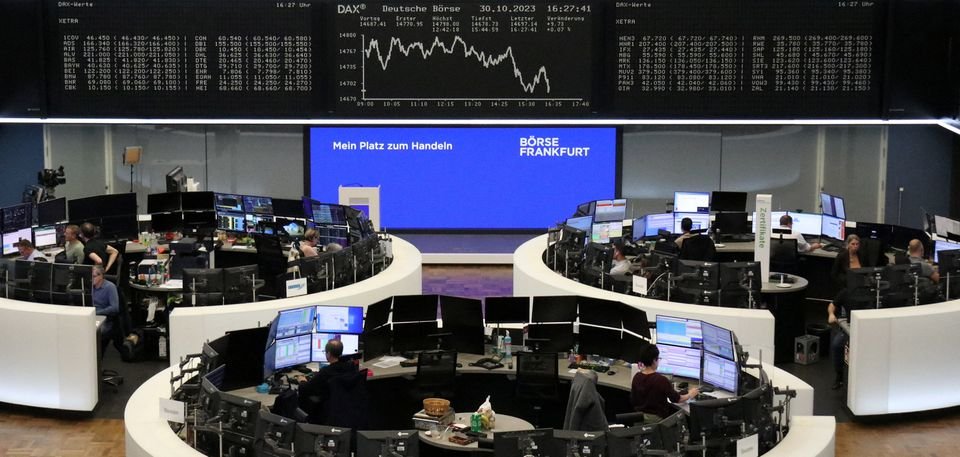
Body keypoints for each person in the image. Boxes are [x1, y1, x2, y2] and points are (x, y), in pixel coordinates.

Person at [630, 344, 698, 423]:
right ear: (654, 360)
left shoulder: (637, 377)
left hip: (638, 419)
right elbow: (677, 399)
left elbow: (633, 400)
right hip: (656, 422)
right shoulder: (661, 380)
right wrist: (690, 394)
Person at [296, 339, 358, 422]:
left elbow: (305, 389)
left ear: (328, 354)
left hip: (327, 410)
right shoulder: (351, 366)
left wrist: (302, 380)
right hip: (346, 408)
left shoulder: (326, 372)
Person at [92, 265, 120, 355]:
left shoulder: (110, 287)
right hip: (90, 315)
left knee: (94, 332)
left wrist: (97, 313)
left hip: (104, 318)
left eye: (93, 276)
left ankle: (96, 358)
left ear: (101, 276)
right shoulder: (89, 287)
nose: (91, 279)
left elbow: (115, 308)